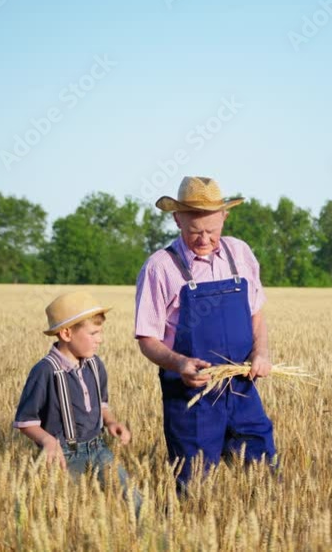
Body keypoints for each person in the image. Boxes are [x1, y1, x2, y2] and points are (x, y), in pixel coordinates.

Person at [134, 176, 276, 492]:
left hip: (241, 387)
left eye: (212, 230)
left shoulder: (240, 254)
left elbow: (256, 314)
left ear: (224, 217)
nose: (204, 239)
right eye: (195, 231)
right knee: (194, 487)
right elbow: (147, 339)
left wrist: (261, 353)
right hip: (191, 397)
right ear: (177, 219)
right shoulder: (160, 267)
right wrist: (180, 363)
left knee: (264, 472)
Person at [14, 291, 133, 485]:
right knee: (70, 510)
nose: (100, 339)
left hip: (99, 448)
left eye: (100, 332)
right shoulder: (45, 371)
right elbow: (26, 422)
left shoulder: (95, 365)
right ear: (67, 333)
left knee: (130, 498)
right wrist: (48, 441)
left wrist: (111, 422)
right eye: (94, 333)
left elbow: (101, 404)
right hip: (64, 456)